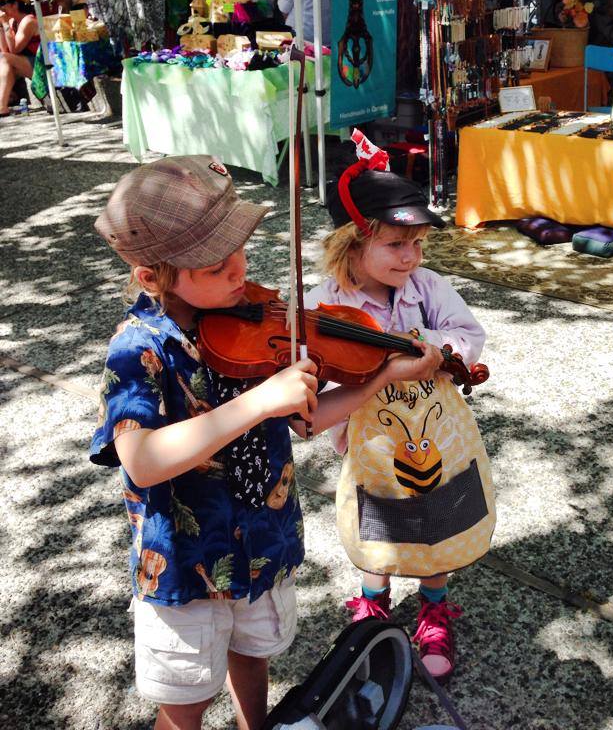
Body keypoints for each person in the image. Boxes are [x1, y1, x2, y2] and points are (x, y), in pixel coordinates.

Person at [90, 154, 441, 730]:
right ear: (151, 277)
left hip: (262, 543)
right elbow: (142, 461)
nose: (239, 272)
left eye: (239, 253)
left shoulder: (249, 314)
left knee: (253, 657)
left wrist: (381, 376)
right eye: (215, 267)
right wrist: (258, 401)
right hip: (189, 569)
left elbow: (306, 421)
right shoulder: (139, 347)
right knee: (185, 704)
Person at [305, 132, 488, 683]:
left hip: (432, 432)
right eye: (395, 245)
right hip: (370, 444)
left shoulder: (426, 287)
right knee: (377, 521)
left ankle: (433, 608)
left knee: (438, 520)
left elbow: (469, 336)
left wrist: (432, 345)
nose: (410, 257)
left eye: (417, 244)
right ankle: (373, 600)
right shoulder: (324, 305)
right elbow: (309, 389)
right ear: (350, 244)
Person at [0, 0, 40, 117]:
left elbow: (15, 50)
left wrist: (5, 24)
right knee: (3, 60)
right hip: (27, 63)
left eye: (3, 3)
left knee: (4, 59)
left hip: (41, 65)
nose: (1, 8)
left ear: (15, 4)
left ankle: (2, 105)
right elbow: (5, 50)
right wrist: (1, 27)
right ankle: (3, 104)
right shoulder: (13, 22)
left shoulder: (28, 21)